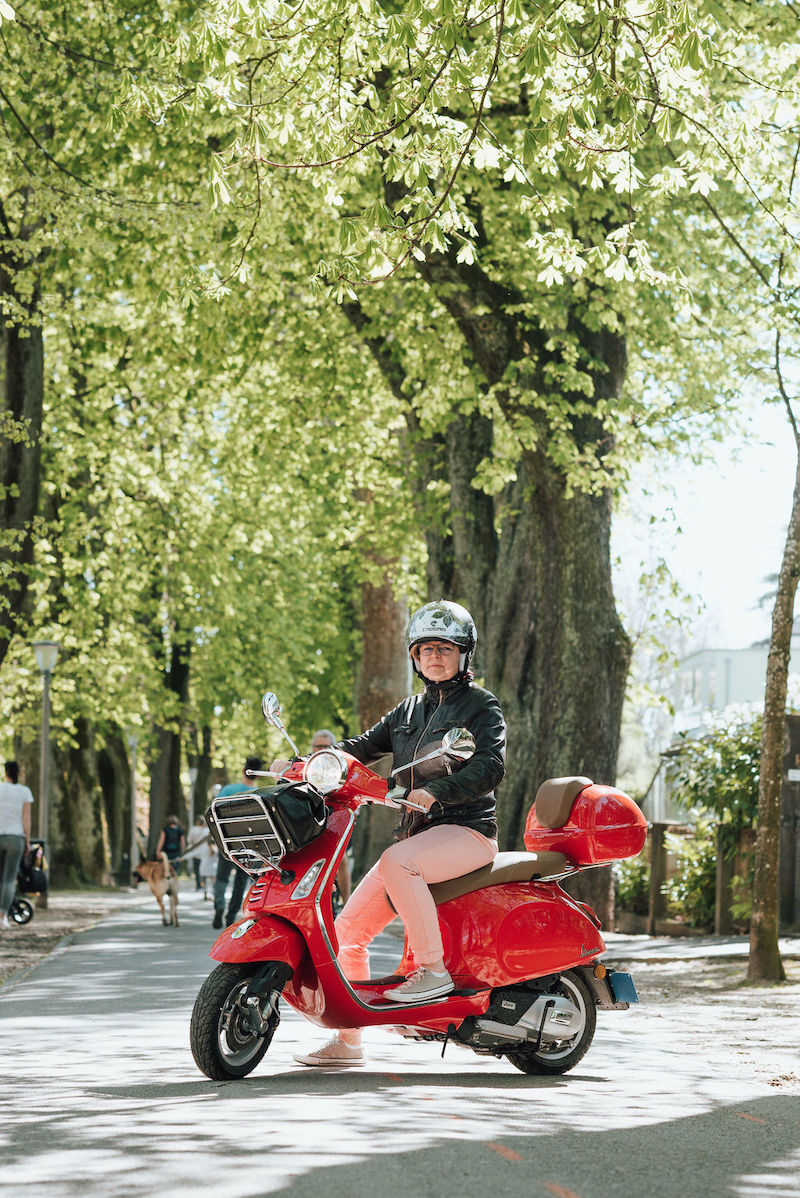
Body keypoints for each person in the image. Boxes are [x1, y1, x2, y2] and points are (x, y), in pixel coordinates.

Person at [278, 600, 506, 1068]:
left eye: (445, 648)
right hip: (416, 840)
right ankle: (348, 1042)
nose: (435, 657)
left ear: (464, 654)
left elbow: (490, 766)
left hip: (467, 832)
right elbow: (358, 748)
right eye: (425, 649)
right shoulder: (408, 711)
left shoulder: (481, 705)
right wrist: (308, 766)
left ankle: (432, 972)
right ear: (414, 657)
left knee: (396, 861)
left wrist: (437, 791)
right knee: (349, 931)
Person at [213, 756, 264, 929]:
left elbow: (214, 812)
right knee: (240, 882)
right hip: (247, 846)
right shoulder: (259, 794)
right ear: (257, 775)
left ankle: (219, 907)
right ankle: (230, 915)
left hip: (226, 841)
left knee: (221, 878)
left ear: (244, 771)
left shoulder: (228, 790)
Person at [310, 729, 352, 906]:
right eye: (318, 746)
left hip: (337, 819)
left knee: (340, 859)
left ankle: (347, 903)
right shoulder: (307, 767)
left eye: (325, 746)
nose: (321, 750)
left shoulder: (341, 768)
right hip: (312, 821)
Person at [0, 761, 33, 931]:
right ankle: (3, 916)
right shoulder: (24, 792)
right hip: (15, 837)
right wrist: (27, 841)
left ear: (6, 773)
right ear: (19, 773)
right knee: (8, 879)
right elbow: (26, 818)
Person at [186, 815, 208, 891]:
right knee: (204, 869)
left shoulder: (193, 829)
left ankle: (198, 885)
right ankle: (204, 883)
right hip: (205, 852)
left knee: (197, 869)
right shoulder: (207, 830)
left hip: (196, 852)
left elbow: (189, 840)